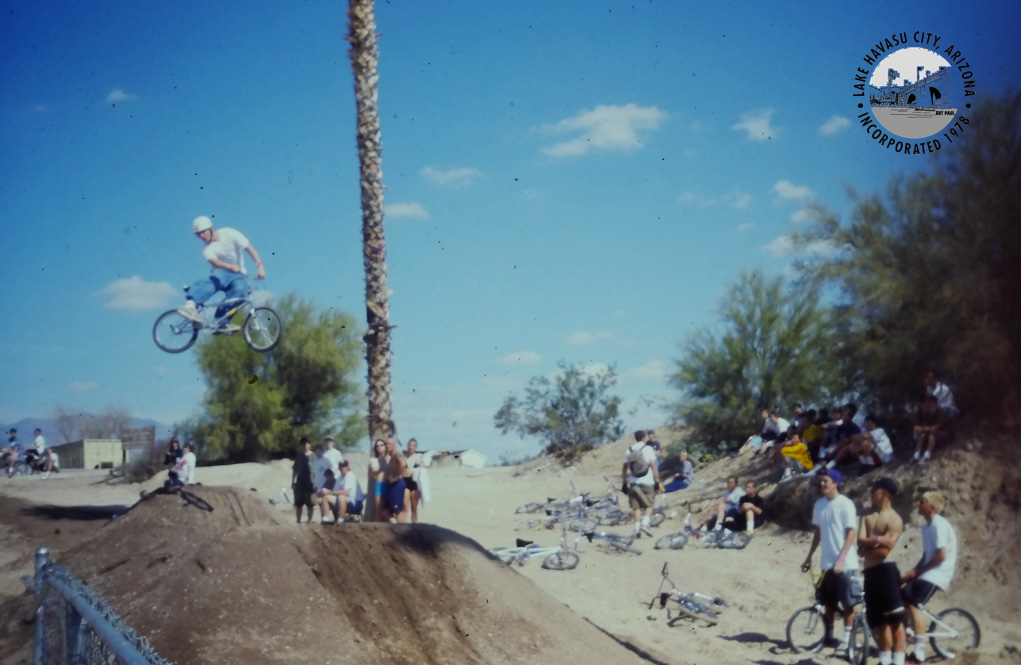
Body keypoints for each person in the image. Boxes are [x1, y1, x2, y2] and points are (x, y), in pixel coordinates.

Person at [801, 469, 859, 654]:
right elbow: (818, 533)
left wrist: (841, 559)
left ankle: (848, 638)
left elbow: (851, 533)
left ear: (836, 483)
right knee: (828, 603)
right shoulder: (819, 505)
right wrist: (809, 556)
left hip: (845, 563)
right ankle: (829, 636)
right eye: (821, 481)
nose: (822, 484)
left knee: (848, 603)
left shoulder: (846, 504)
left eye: (826, 481)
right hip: (827, 562)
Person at [176, 215, 266, 333]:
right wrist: (229, 266)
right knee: (216, 279)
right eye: (198, 234)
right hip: (222, 271)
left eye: (203, 232)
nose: (201, 236)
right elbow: (214, 262)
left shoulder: (229, 233)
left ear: (211, 229)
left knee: (241, 293)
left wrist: (260, 266)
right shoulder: (206, 249)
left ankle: (220, 321)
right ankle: (190, 305)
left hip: (238, 275)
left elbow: (249, 248)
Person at [901, 491, 957, 664]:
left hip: (939, 573)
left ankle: (919, 654)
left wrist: (918, 572)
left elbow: (941, 556)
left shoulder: (939, 525)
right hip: (929, 571)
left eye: (922, 501)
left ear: (931, 506)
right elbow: (926, 556)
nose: (918, 504)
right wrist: (912, 572)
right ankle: (908, 636)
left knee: (914, 604)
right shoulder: (926, 527)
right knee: (902, 597)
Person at [858, 478, 907, 665]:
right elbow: (861, 541)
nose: (871, 493)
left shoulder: (895, 520)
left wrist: (866, 550)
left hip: (886, 571)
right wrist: (878, 539)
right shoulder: (866, 515)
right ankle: (885, 660)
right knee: (879, 622)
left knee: (895, 620)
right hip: (870, 573)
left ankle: (899, 661)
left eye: (874, 490)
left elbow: (884, 552)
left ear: (885, 493)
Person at [621, 430, 662, 539]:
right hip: (647, 482)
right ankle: (645, 524)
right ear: (644, 438)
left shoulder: (629, 450)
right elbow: (653, 466)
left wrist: (624, 483)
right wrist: (658, 481)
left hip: (633, 482)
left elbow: (625, 468)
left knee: (636, 507)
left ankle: (636, 530)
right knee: (649, 505)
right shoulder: (648, 449)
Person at [911, 396, 948, 465]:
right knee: (922, 435)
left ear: (933, 403)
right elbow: (925, 427)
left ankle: (927, 455)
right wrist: (919, 430)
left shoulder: (940, 412)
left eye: (928, 402)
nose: (925, 404)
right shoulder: (927, 414)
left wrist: (923, 429)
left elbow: (936, 427)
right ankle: (916, 455)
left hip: (944, 434)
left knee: (932, 435)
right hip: (932, 434)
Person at [381, 437, 409, 523]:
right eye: (386, 444)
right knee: (386, 511)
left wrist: (397, 476)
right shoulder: (392, 457)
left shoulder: (397, 454)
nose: (387, 446)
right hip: (392, 485)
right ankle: (396, 526)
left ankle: (400, 530)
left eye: (389, 444)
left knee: (398, 510)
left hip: (397, 484)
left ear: (394, 445)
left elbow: (403, 464)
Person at [291, 438, 315, 524]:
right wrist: (293, 481)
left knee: (310, 503)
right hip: (300, 482)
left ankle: (310, 520)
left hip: (310, 482)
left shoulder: (314, 456)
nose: (304, 446)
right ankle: (298, 521)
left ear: (309, 444)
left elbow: (317, 470)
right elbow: (295, 469)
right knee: (298, 503)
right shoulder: (299, 456)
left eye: (306, 444)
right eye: (302, 444)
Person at [367, 438, 388, 523]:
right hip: (379, 484)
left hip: (389, 484)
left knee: (389, 509)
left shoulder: (390, 458)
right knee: (378, 509)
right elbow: (369, 476)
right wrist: (374, 471)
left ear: (385, 446)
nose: (379, 447)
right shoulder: (373, 460)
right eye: (377, 446)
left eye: (381, 445)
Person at [405, 438, 423, 523]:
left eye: (413, 445)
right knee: (404, 508)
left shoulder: (418, 457)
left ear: (415, 447)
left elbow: (423, 471)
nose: (411, 447)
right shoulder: (403, 456)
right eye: (409, 445)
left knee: (414, 508)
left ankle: (414, 527)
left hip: (414, 485)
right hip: (405, 484)